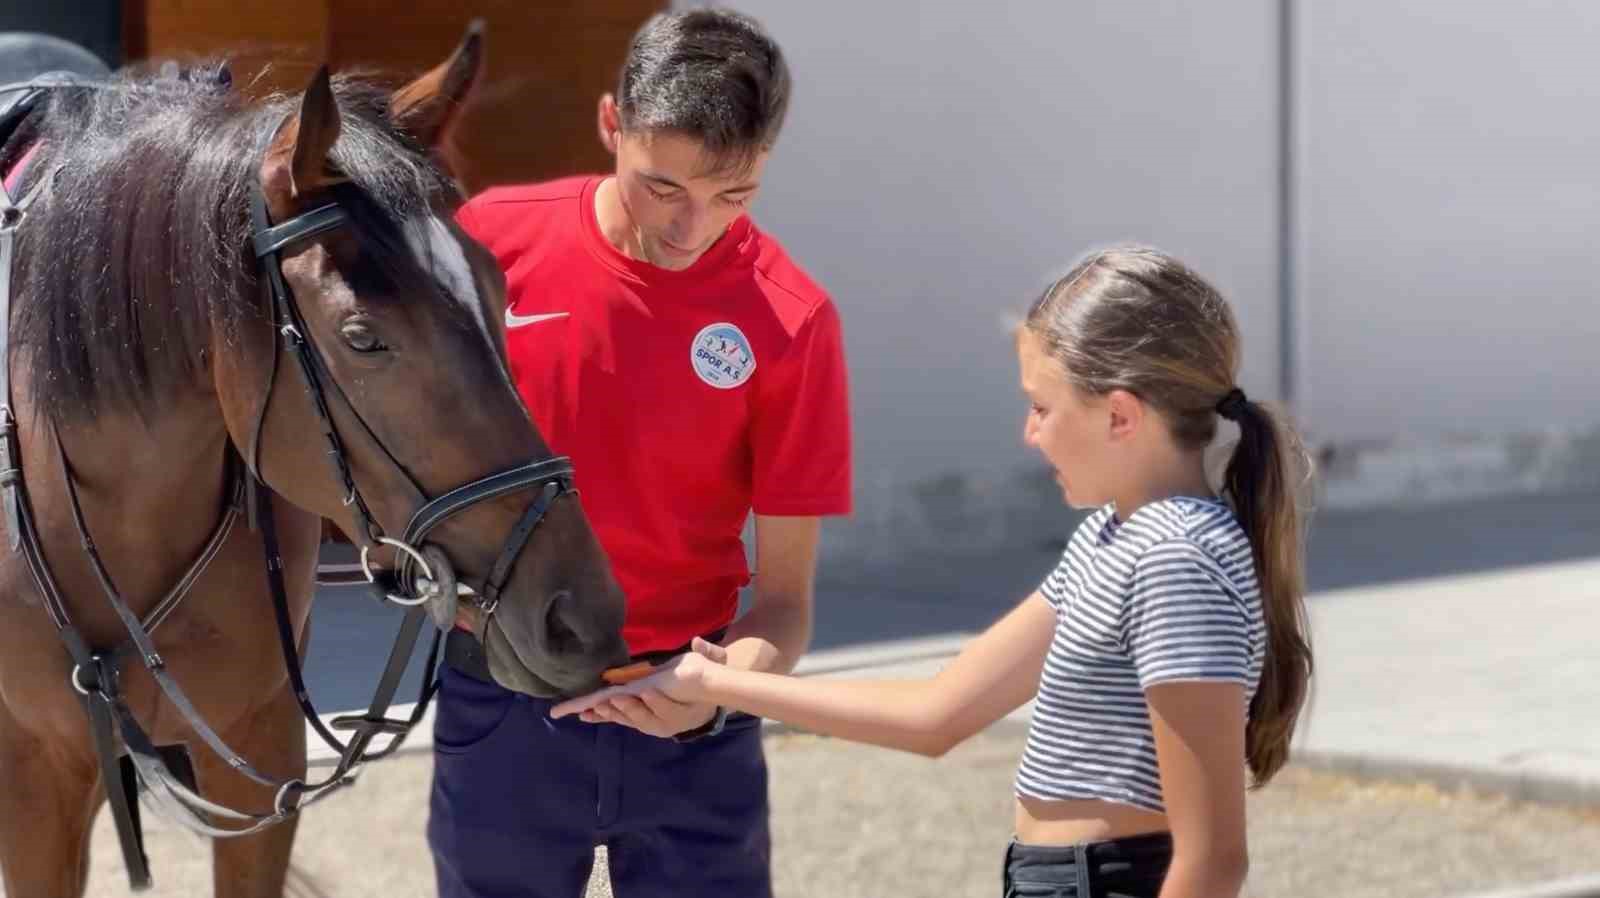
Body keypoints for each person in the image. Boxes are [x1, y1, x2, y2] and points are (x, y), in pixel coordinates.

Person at [555, 247, 1315, 898]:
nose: (1030, 433)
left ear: (1121, 415)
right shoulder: (1114, 540)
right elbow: (936, 713)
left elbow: (1213, 858)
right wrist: (715, 685)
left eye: (1042, 407)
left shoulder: (1176, 558)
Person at [426, 8, 852, 898]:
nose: (693, 226)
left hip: (696, 728)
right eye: (665, 187)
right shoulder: (493, 241)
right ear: (611, 121)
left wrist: (721, 688)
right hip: (505, 705)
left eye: (733, 195)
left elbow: (783, 602)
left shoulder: (792, 318)